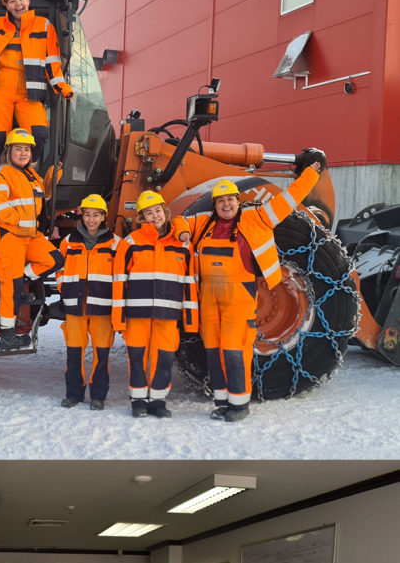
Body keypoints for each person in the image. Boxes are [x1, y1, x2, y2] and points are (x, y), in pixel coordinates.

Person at [185, 150, 326, 421]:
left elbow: (289, 199)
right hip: (209, 303)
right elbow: (178, 221)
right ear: (214, 205)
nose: (226, 204)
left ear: (238, 202)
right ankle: (222, 402)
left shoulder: (257, 219)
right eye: (220, 200)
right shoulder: (203, 225)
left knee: (234, 351)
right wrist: (180, 228)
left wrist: (311, 173)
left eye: (230, 199)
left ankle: (239, 405)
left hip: (239, 301)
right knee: (213, 353)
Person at [0, 0, 73, 171]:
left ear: (28, 0)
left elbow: (52, 61)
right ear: (6, 6)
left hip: (30, 91)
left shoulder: (44, 26)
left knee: (39, 134)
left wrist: (61, 86)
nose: (18, 4)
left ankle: (25, 175)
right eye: (12, 1)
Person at [112, 190, 197, 418]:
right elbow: (119, 280)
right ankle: (138, 401)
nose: (155, 216)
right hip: (136, 315)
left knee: (164, 357)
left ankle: (158, 402)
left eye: (158, 210)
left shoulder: (182, 245)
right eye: (149, 213)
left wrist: (190, 319)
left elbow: (190, 283)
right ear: (142, 218)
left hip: (168, 314)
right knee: (137, 357)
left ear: (165, 211)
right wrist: (118, 319)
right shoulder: (131, 242)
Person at [0, 128, 64, 351]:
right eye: (18, 149)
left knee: (55, 260)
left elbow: (44, 195)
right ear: (9, 151)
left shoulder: (31, 175)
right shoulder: (2, 174)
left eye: (27, 150)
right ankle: (8, 337)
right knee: (10, 286)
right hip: (8, 236)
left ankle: (23, 278)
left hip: (30, 237)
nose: (23, 153)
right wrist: (19, 221)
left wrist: (53, 176)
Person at [55, 194, 120, 410]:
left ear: (103, 216)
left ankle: (98, 396)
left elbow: (121, 274)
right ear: (81, 216)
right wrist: (65, 287)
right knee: (74, 351)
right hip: (76, 305)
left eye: (96, 215)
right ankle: (73, 394)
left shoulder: (115, 243)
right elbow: (59, 268)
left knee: (102, 353)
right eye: (87, 215)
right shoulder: (68, 242)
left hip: (102, 306)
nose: (91, 220)